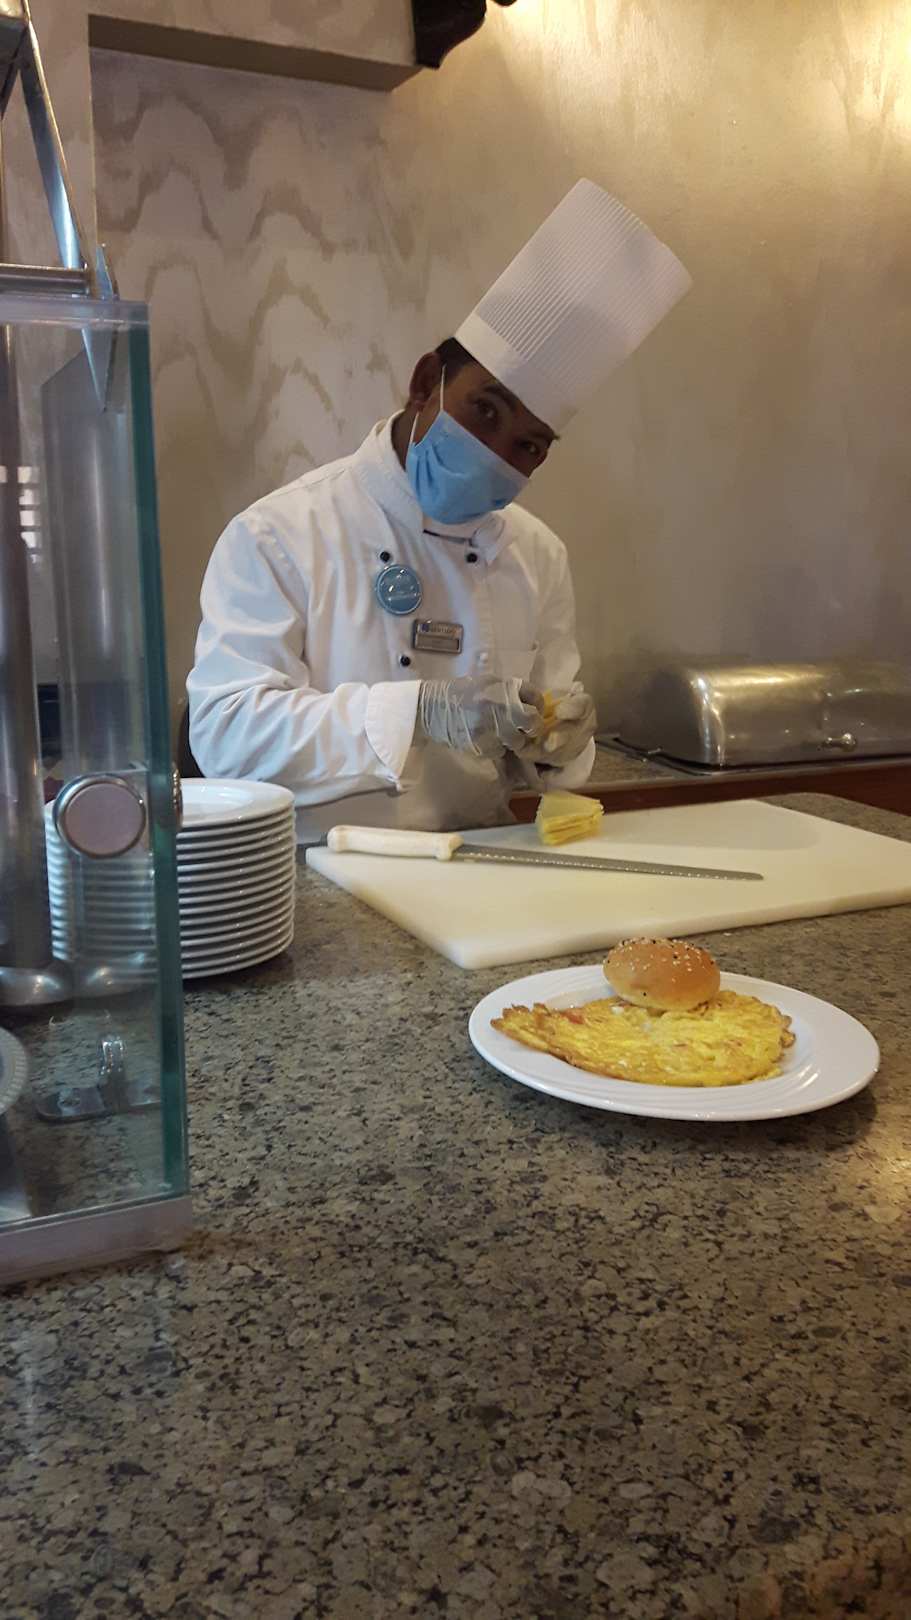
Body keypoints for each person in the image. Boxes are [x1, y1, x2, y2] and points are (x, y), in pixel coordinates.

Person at [188, 180, 691, 842]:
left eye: (529, 445)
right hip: (322, 864)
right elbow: (225, 736)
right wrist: (419, 712)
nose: (495, 453)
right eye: (484, 410)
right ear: (426, 384)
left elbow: (549, 764)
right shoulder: (278, 534)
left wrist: (560, 745)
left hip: (480, 864)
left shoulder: (537, 554)